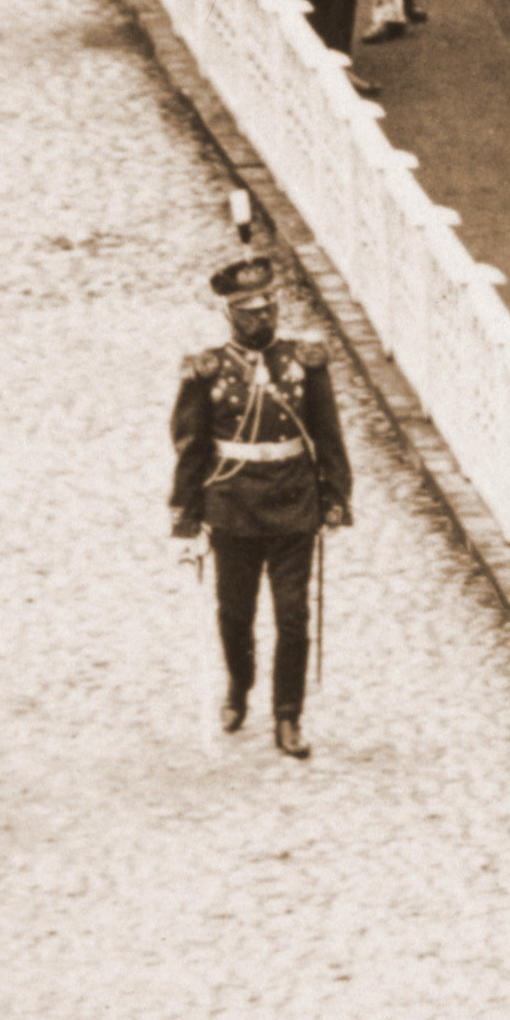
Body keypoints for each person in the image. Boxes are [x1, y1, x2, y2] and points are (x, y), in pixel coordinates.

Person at [168, 246, 353, 759]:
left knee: (293, 617)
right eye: (250, 312)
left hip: (295, 503)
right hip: (233, 506)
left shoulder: (303, 362)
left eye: (269, 308)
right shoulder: (207, 371)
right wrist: (184, 509)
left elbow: (328, 435)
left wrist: (337, 494)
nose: (263, 318)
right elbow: (192, 445)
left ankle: (288, 716)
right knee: (235, 613)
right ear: (229, 313)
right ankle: (238, 687)